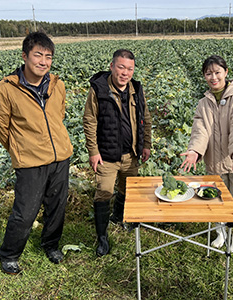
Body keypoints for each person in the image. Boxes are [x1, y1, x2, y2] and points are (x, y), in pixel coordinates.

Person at [0, 31, 73, 274]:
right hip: (30, 162)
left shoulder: (58, 85)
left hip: (60, 157)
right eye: (38, 55)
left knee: (57, 206)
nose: (44, 61)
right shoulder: (5, 90)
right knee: (25, 212)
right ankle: (10, 254)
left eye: (48, 56)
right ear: (25, 56)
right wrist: (20, 148)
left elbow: (59, 116)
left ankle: (51, 245)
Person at [180, 55, 233, 253]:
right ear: (204, 76)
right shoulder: (204, 103)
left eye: (217, 72)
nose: (213, 77)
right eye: (208, 73)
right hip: (215, 160)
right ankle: (221, 232)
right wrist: (194, 151)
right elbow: (201, 130)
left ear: (226, 72)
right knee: (216, 199)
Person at [83, 49, 152, 257]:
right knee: (104, 192)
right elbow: (89, 121)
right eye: (121, 67)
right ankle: (102, 237)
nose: (125, 73)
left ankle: (119, 216)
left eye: (129, 69)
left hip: (130, 154)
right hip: (106, 155)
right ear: (112, 66)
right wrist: (93, 152)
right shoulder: (99, 90)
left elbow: (145, 118)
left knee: (128, 189)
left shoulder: (136, 89)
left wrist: (146, 144)